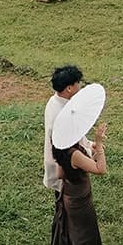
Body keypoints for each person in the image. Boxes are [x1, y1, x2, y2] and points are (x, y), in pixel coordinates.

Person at [22, 114, 117, 245]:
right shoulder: (74, 154)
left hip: (69, 198)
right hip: (80, 202)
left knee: (77, 241)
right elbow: (100, 169)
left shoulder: (61, 149)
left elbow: (59, 174)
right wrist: (98, 145)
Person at [43, 64, 89, 194]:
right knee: (70, 201)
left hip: (59, 162)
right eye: (77, 83)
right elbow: (69, 145)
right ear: (69, 88)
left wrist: (89, 144)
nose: (79, 87)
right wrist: (90, 151)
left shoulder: (54, 100)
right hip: (65, 167)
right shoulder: (62, 115)